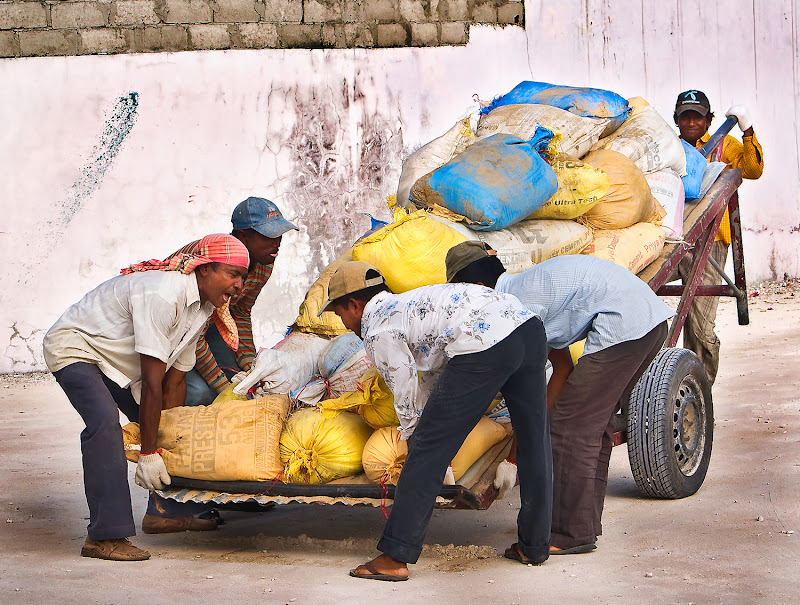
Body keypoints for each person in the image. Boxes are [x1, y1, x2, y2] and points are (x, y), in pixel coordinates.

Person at [320, 261, 552, 581]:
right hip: (527, 328)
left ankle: (394, 556)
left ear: (355, 305)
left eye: (340, 313)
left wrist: (415, 433)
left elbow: (404, 385)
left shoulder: (378, 327)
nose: (344, 323)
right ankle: (535, 545)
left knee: (426, 449)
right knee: (534, 439)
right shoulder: (409, 305)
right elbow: (433, 375)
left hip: (485, 340)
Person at [446, 242, 674, 555]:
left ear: (477, 287)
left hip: (625, 325)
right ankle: (584, 526)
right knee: (594, 427)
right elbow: (562, 369)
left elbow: (531, 394)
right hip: (647, 323)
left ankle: (567, 534)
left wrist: (513, 457)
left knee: (568, 430)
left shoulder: (512, 306)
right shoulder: (527, 290)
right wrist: (514, 457)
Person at [43, 234, 250, 561]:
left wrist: (167, 436)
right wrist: (149, 451)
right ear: (204, 269)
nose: (239, 284)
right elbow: (154, 383)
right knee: (104, 426)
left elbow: (175, 381)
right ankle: (104, 537)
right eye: (232, 274)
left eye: (243, 277)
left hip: (118, 363)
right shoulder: (163, 294)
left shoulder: (203, 308)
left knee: (164, 427)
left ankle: (162, 513)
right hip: (77, 348)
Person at [673, 89, 764, 384]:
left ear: (708, 120)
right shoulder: (668, 149)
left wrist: (747, 127)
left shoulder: (724, 145)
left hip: (710, 241)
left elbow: (753, 169)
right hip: (672, 239)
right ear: (676, 119)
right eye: (685, 115)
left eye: (697, 116)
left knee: (699, 327)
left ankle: (699, 390)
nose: (691, 122)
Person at [181, 197, 298, 405]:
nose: (277, 241)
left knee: (238, 378)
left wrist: (249, 362)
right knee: (202, 394)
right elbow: (194, 336)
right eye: (269, 235)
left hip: (213, 324)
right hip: (178, 328)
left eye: (279, 233)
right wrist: (223, 387)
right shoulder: (213, 266)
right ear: (243, 236)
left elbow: (241, 312)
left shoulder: (264, 262)